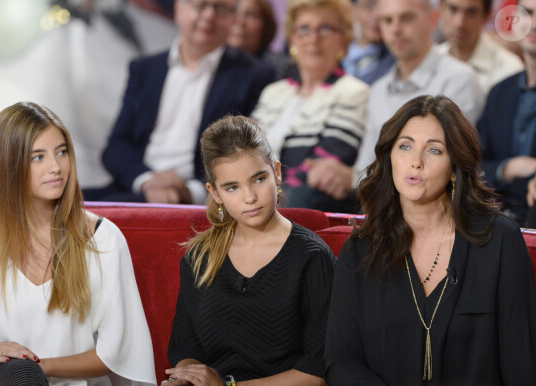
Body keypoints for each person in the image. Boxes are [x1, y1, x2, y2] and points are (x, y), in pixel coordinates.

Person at [324, 95, 536, 385]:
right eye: (405, 146)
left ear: (454, 168)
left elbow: (521, 363)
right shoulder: (360, 249)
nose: (416, 162)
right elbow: (341, 360)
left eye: (434, 150)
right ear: (389, 158)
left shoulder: (499, 241)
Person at [0, 102, 156, 385]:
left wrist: (37, 367)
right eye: (38, 157)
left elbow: (116, 355)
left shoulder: (101, 239)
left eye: (61, 152)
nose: (56, 167)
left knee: (23, 372)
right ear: (7, 165)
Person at [163, 116, 334, 385]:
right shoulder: (199, 257)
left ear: (276, 173)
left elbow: (317, 371)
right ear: (215, 193)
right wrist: (186, 378)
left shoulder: (311, 256)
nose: (249, 197)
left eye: (258, 179)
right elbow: (186, 351)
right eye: (232, 187)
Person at [91, 0, 275, 205]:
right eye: (200, 6)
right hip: (138, 186)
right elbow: (117, 146)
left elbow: (247, 151)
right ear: (179, 9)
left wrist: (190, 191)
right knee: (63, 204)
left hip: (202, 197)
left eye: (220, 8)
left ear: (232, 18)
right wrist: (147, 181)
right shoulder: (145, 69)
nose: (209, 16)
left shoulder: (254, 75)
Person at [350, 0, 485, 189]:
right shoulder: (379, 89)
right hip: (385, 206)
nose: (395, 29)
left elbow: (451, 165)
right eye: (387, 20)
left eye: (406, 18)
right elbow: (365, 168)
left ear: (433, 19)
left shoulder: (459, 79)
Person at [251, 0, 369, 213]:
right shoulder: (273, 92)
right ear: (292, 38)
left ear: (344, 40)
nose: (313, 39)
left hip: (298, 204)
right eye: (304, 29)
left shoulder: (353, 91)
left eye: (325, 29)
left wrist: (260, 196)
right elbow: (245, 150)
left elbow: (320, 167)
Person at [479, 0, 536, 227]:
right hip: (493, 220)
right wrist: (509, 168)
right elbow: (471, 166)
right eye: (528, 13)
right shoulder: (499, 92)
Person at [438, 0, 524, 93]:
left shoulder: (509, 69)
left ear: (487, 15)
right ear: (440, 8)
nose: (459, 23)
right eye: (453, 9)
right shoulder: (429, 60)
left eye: (471, 12)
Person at [227, 0, 297, 80]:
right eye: (233, 12)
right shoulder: (215, 62)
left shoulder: (280, 69)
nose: (240, 20)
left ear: (266, 25)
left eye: (250, 15)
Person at [343, 0, 395, 85]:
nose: (377, 15)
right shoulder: (339, 53)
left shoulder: (397, 61)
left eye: (383, 8)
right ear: (354, 10)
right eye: (370, 6)